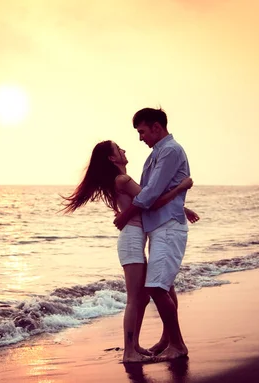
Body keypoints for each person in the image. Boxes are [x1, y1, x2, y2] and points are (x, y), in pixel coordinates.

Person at [61, 139, 198, 363]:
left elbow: (146, 199)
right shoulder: (122, 179)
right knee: (135, 299)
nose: (123, 150)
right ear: (112, 158)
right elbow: (151, 202)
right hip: (132, 240)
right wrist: (181, 188)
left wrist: (182, 207)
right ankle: (129, 352)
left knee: (143, 297)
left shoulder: (121, 179)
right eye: (118, 149)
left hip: (135, 239)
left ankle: (137, 345)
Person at [113, 107, 193, 362]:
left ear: (156, 127)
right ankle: (168, 340)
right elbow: (149, 191)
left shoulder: (169, 151)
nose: (140, 138)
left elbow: (150, 193)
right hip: (159, 225)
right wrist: (180, 196)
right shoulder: (158, 153)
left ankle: (177, 345)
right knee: (164, 287)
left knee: (156, 287)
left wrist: (125, 216)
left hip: (167, 225)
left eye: (142, 131)